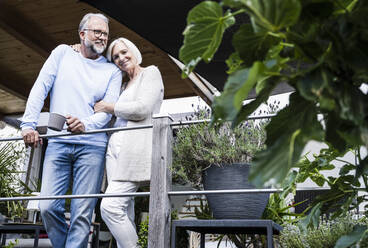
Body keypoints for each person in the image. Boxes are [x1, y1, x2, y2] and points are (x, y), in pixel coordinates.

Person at [20, 13, 122, 248]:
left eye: (105, 33)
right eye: (97, 31)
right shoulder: (63, 53)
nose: (102, 37)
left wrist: (85, 124)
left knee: (82, 213)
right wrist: (27, 124)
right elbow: (40, 88)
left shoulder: (112, 71)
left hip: (93, 146)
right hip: (58, 142)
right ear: (82, 33)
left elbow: (106, 113)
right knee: (47, 206)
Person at [94, 38, 164, 248]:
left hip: (133, 151)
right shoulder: (123, 84)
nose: (121, 58)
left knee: (110, 207)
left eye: (124, 52)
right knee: (125, 211)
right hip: (114, 151)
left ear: (133, 51)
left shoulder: (150, 73)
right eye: (115, 57)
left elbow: (143, 108)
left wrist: (109, 107)